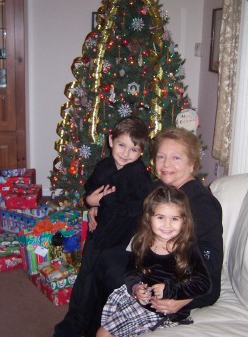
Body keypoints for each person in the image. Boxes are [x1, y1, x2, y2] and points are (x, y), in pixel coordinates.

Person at [93, 127, 223, 329]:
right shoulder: (161, 190)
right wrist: (97, 206)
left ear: (192, 164)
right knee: (106, 257)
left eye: (176, 158)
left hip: (189, 284)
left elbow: (208, 265)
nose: (166, 164)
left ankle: (116, 326)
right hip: (158, 267)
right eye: (161, 157)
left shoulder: (201, 204)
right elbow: (127, 203)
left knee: (114, 270)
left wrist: (180, 297)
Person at [54, 117, 152, 337]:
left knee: (99, 283)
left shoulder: (137, 174)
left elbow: (137, 208)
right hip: (99, 231)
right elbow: (91, 189)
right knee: (85, 279)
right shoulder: (105, 166)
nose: (126, 153)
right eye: (121, 145)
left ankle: (93, 327)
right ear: (111, 141)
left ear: (141, 152)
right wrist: (90, 202)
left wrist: (100, 202)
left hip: (120, 238)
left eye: (134, 149)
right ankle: (75, 323)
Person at [96, 185, 211, 337]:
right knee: (102, 328)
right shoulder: (142, 242)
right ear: (149, 217)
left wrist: (170, 290)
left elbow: (204, 284)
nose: (167, 225)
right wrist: (136, 286)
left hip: (165, 312)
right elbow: (132, 270)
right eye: (160, 217)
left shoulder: (186, 248)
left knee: (103, 334)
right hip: (141, 300)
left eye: (175, 219)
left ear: (184, 221)